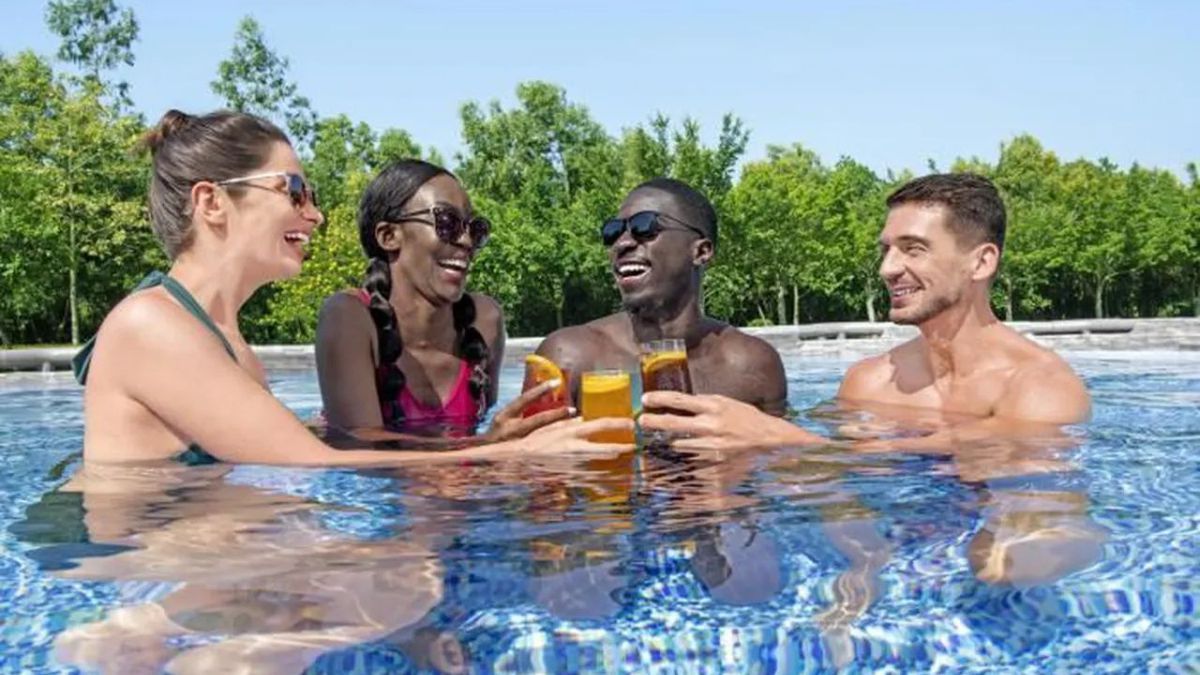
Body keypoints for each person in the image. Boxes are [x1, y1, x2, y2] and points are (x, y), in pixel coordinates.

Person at [73, 109, 632, 467]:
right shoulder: (152, 326)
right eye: (294, 192)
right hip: (143, 600)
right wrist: (504, 455)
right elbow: (315, 461)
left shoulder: (223, 340)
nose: (314, 216)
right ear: (211, 202)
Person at [640, 172, 1091, 448]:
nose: (888, 268)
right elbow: (839, 485)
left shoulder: (1042, 391)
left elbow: (1033, 518)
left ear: (982, 261)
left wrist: (774, 437)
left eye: (913, 249)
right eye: (887, 249)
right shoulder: (869, 381)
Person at [317, 160, 557, 440]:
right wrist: (485, 446)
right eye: (447, 222)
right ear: (389, 236)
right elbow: (361, 447)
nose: (466, 241)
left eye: (475, 229)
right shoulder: (350, 318)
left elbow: (492, 426)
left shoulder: (485, 320)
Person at [531, 177, 787, 414]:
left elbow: (784, 459)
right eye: (613, 231)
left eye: (645, 227)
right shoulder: (571, 356)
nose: (622, 243)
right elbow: (526, 458)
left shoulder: (752, 365)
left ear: (701, 251)